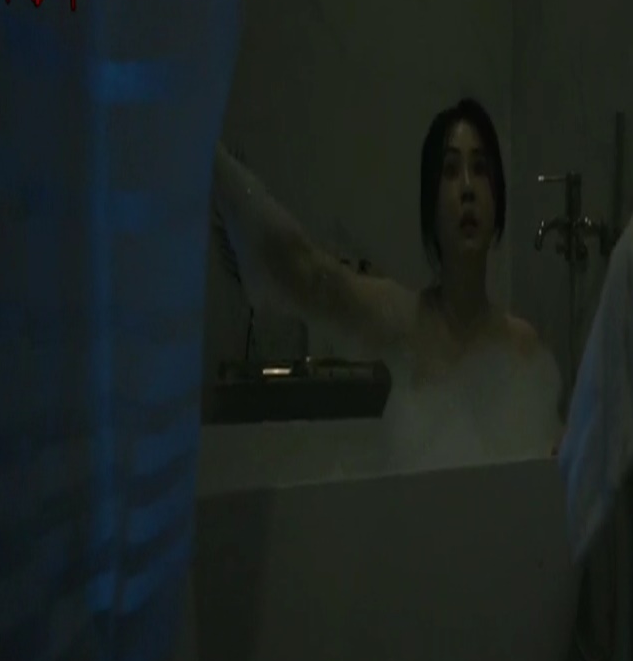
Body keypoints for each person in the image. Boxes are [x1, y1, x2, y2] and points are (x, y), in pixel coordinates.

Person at [212, 97, 565, 464]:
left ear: (498, 200)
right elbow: (309, 274)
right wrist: (219, 169)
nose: (467, 187)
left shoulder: (523, 348)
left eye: (480, 168)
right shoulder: (400, 324)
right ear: (431, 205)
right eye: (449, 170)